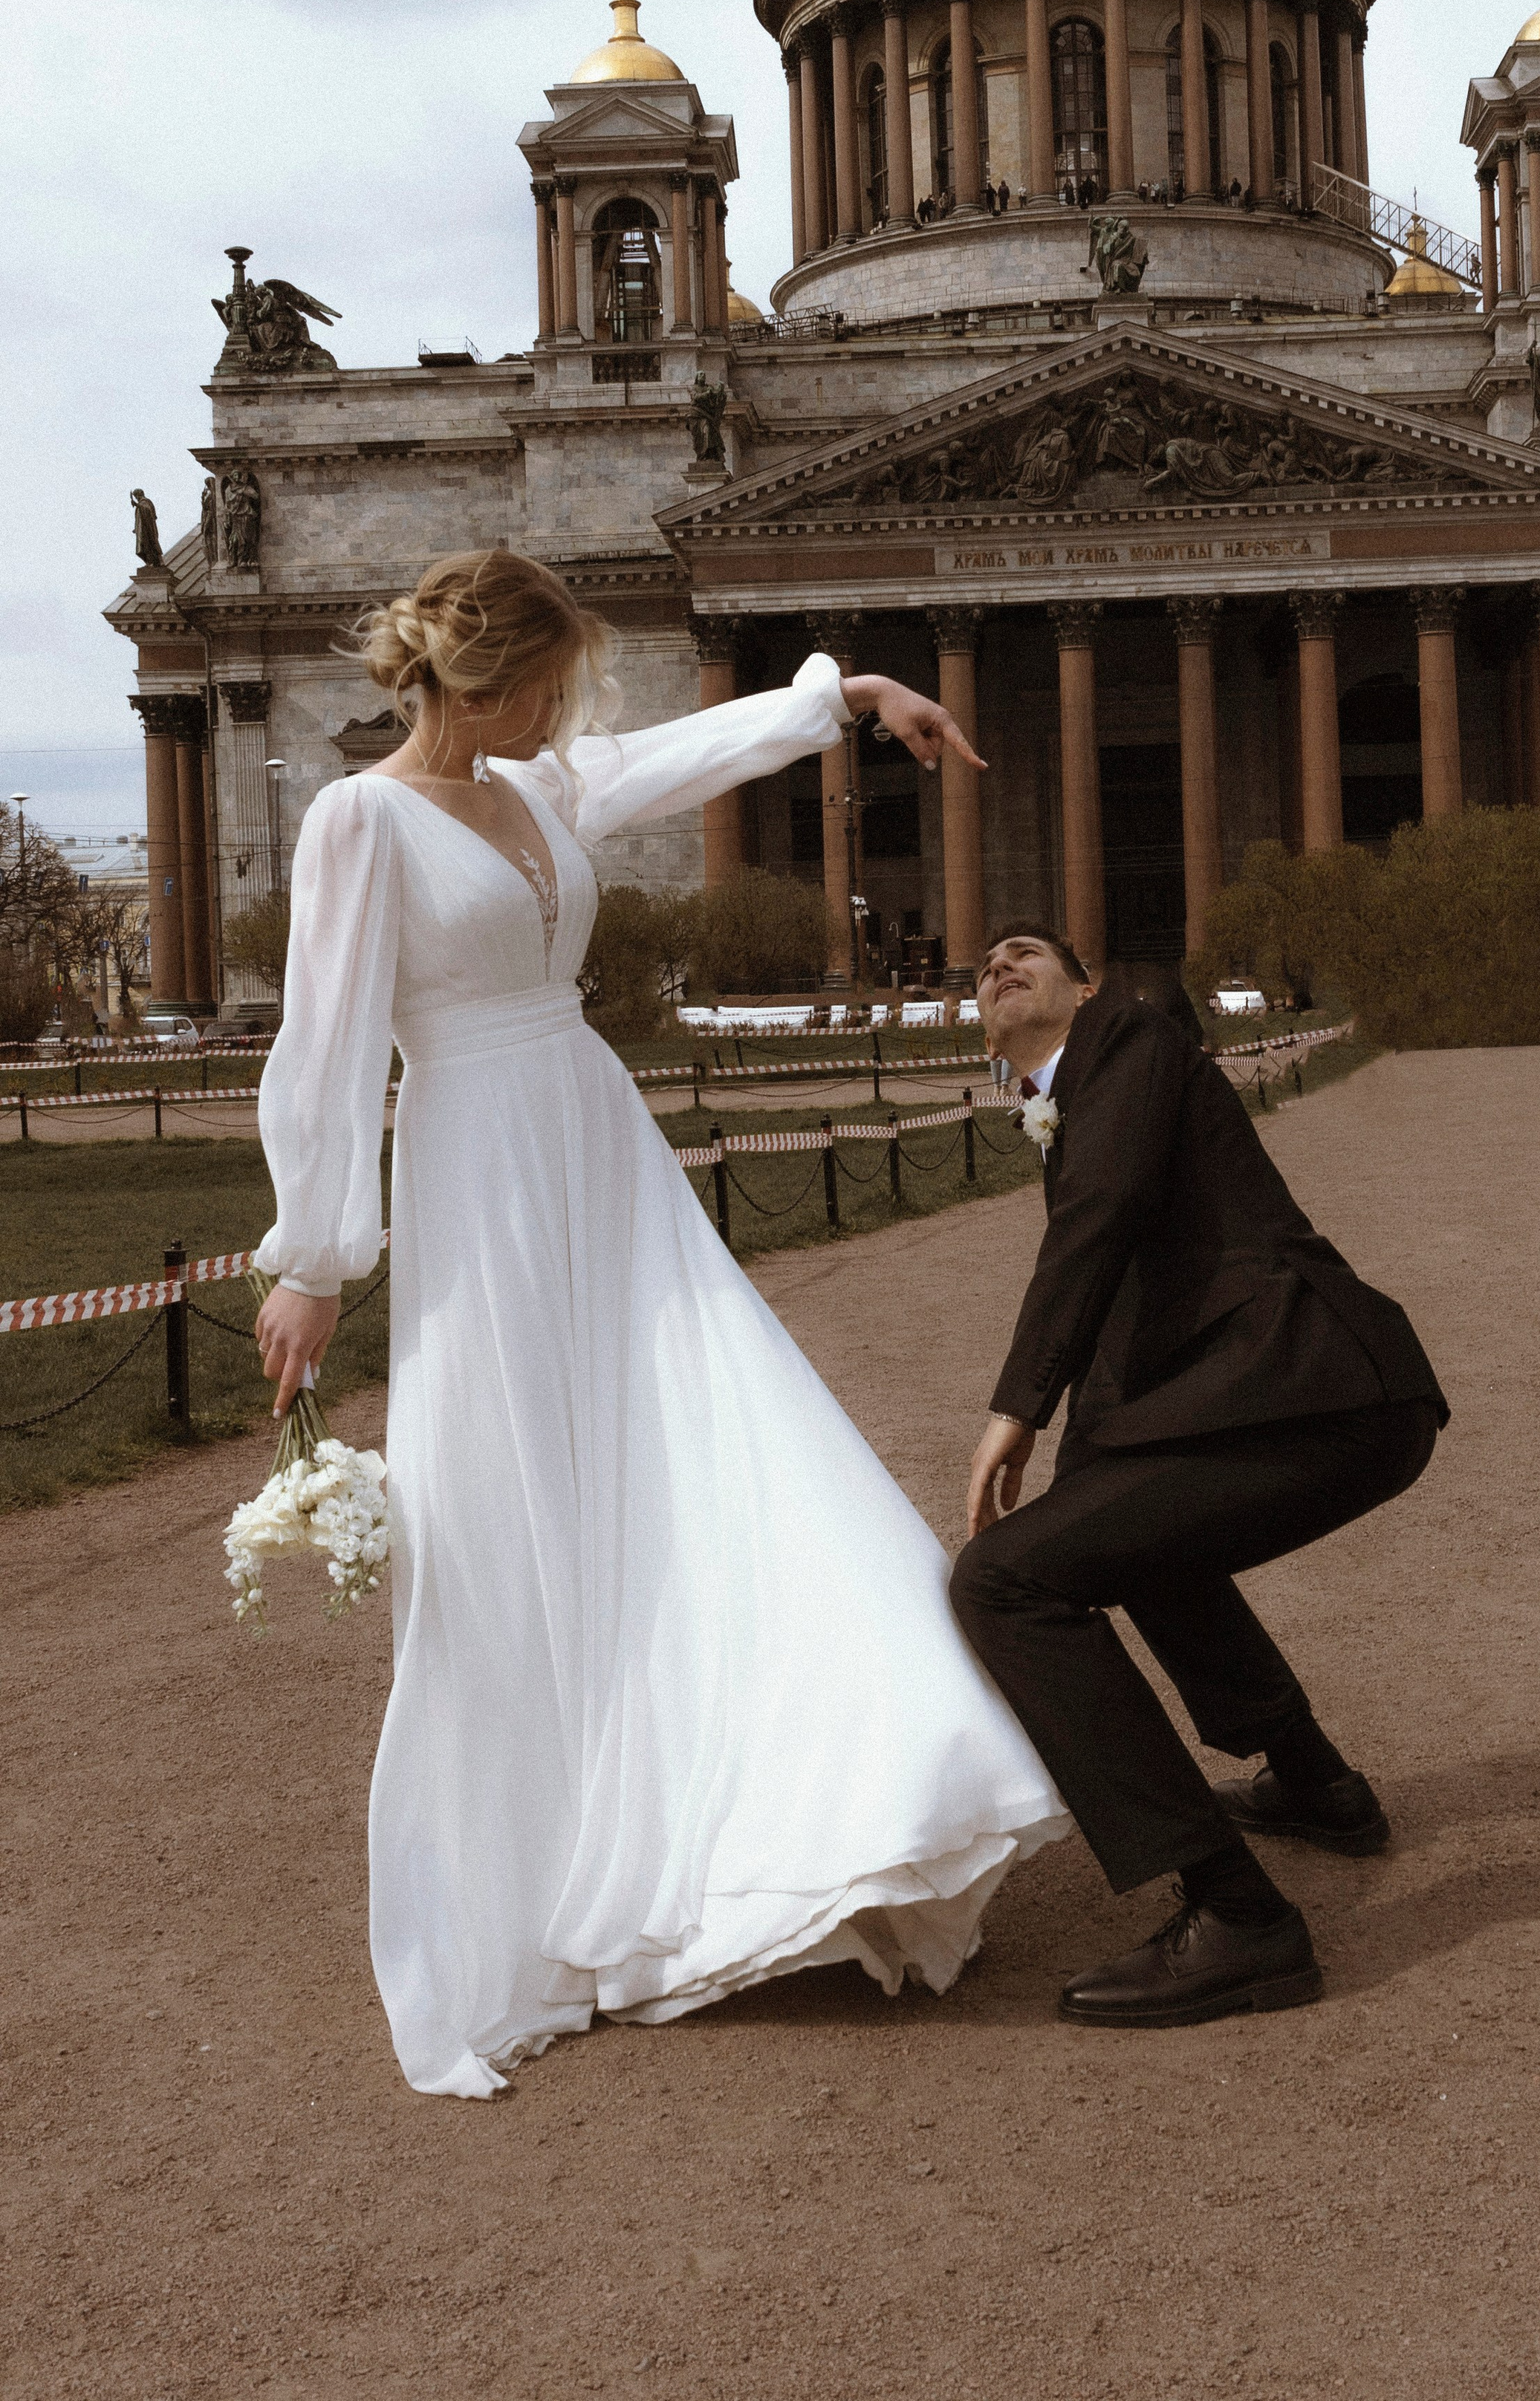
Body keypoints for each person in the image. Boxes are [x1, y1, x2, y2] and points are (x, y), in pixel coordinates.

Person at [251, 550, 1067, 2096]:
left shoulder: (540, 786)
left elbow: (684, 754)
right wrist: (314, 1257)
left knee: (717, 1439)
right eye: (550, 683)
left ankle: (834, 1801)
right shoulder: (358, 820)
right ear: (486, 678)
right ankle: (549, 1871)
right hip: (478, 1169)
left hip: (594, 1144)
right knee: (510, 1510)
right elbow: (329, 1037)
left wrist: (847, 697)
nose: (567, 712)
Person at [951, 925, 1446, 2030]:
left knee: (998, 1583)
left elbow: (1102, 1216)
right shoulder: (1080, 1104)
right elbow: (1127, 1308)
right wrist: (1077, 1484)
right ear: (982, 1037)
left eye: (1027, 952)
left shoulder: (1128, 1041)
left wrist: (1017, 1406)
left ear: (1089, 987)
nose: (999, 965)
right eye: (984, 969)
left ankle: (1239, 1914)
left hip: (1322, 1388)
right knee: (1118, 1540)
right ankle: (1316, 1785)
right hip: (1295, 1398)